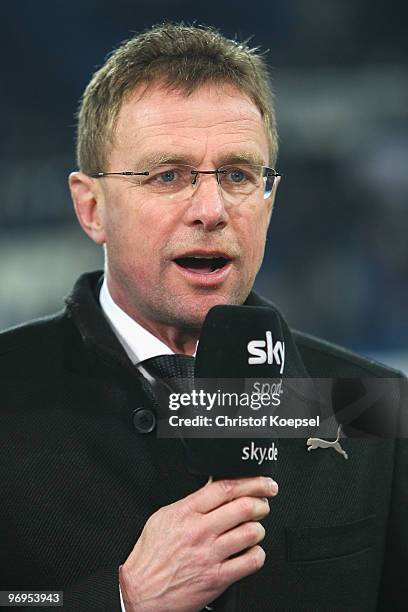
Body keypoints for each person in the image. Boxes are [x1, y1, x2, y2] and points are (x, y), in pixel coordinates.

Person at [0, 22, 406, 612]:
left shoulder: (367, 402)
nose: (212, 210)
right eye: (169, 176)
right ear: (92, 208)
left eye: (239, 175)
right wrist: (123, 600)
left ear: (269, 200)